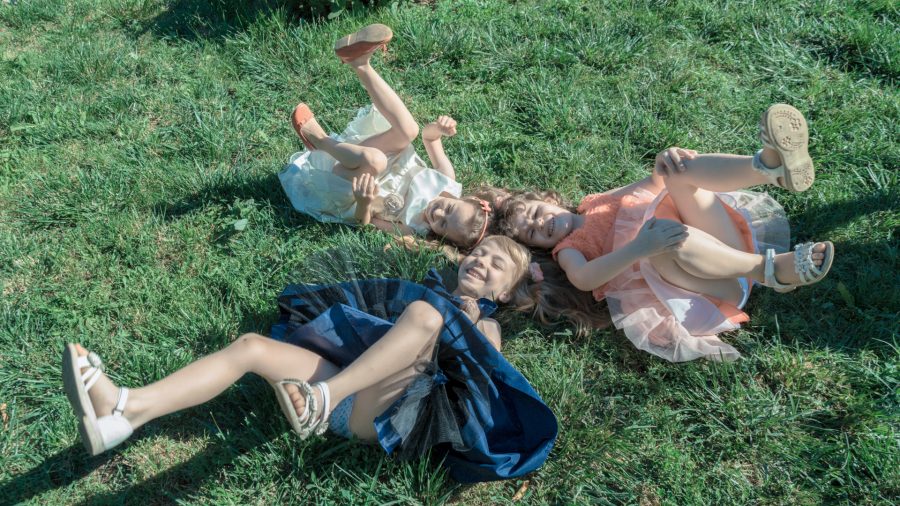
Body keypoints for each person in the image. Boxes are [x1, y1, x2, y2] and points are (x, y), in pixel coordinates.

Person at [61, 236, 556, 482]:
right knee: (251, 346)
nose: (481, 261)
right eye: (480, 252)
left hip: (382, 413)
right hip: (339, 383)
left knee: (427, 317)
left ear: (505, 293)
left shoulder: (486, 325)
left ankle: (323, 399)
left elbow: (481, 376)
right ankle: (124, 411)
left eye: (496, 265)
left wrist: (469, 322)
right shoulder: (421, 291)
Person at [492, 104, 835, 361]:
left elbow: (653, 180)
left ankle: (768, 168)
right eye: (532, 233)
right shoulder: (568, 248)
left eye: (535, 214)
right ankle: (771, 270)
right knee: (662, 237)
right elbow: (583, 279)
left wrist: (664, 159)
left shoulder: (595, 202)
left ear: (550, 200)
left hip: (723, 242)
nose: (539, 224)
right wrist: (639, 247)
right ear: (540, 247)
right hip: (711, 286)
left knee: (677, 172)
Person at [280, 24, 491, 249]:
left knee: (376, 160)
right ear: (467, 199)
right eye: (448, 209)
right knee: (410, 130)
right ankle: (359, 63)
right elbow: (430, 139)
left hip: (350, 183)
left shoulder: (414, 228)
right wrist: (439, 129)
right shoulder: (447, 179)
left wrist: (364, 202)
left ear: (443, 238)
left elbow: (366, 223)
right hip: (374, 155)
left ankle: (319, 140)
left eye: (443, 225)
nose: (438, 214)